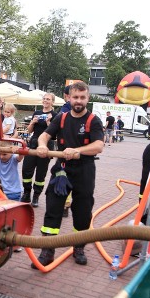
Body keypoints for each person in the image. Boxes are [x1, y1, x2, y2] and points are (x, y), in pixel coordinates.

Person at [35, 81, 104, 265]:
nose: (78, 101)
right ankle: (47, 251)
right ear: (69, 98)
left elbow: (99, 146)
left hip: (84, 169)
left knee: (83, 211)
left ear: (87, 99)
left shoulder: (93, 120)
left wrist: (78, 150)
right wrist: (42, 146)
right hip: (62, 170)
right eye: (75, 97)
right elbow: (45, 135)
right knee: (53, 208)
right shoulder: (62, 118)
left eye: (82, 97)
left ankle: (78, 247)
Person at [21, 93, 56, 206]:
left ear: (52, 102)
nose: (45, 101)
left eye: (48, 99)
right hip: (34, 142)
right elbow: (30, 131)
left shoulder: (55, 115)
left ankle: (36, 196)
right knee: (26, 169)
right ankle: (26, 193)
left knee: (41, 173)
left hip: (46, 144)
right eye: (44, 99)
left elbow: (54, 134)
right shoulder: (37, 113)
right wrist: (32, 122)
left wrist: (49, 123)